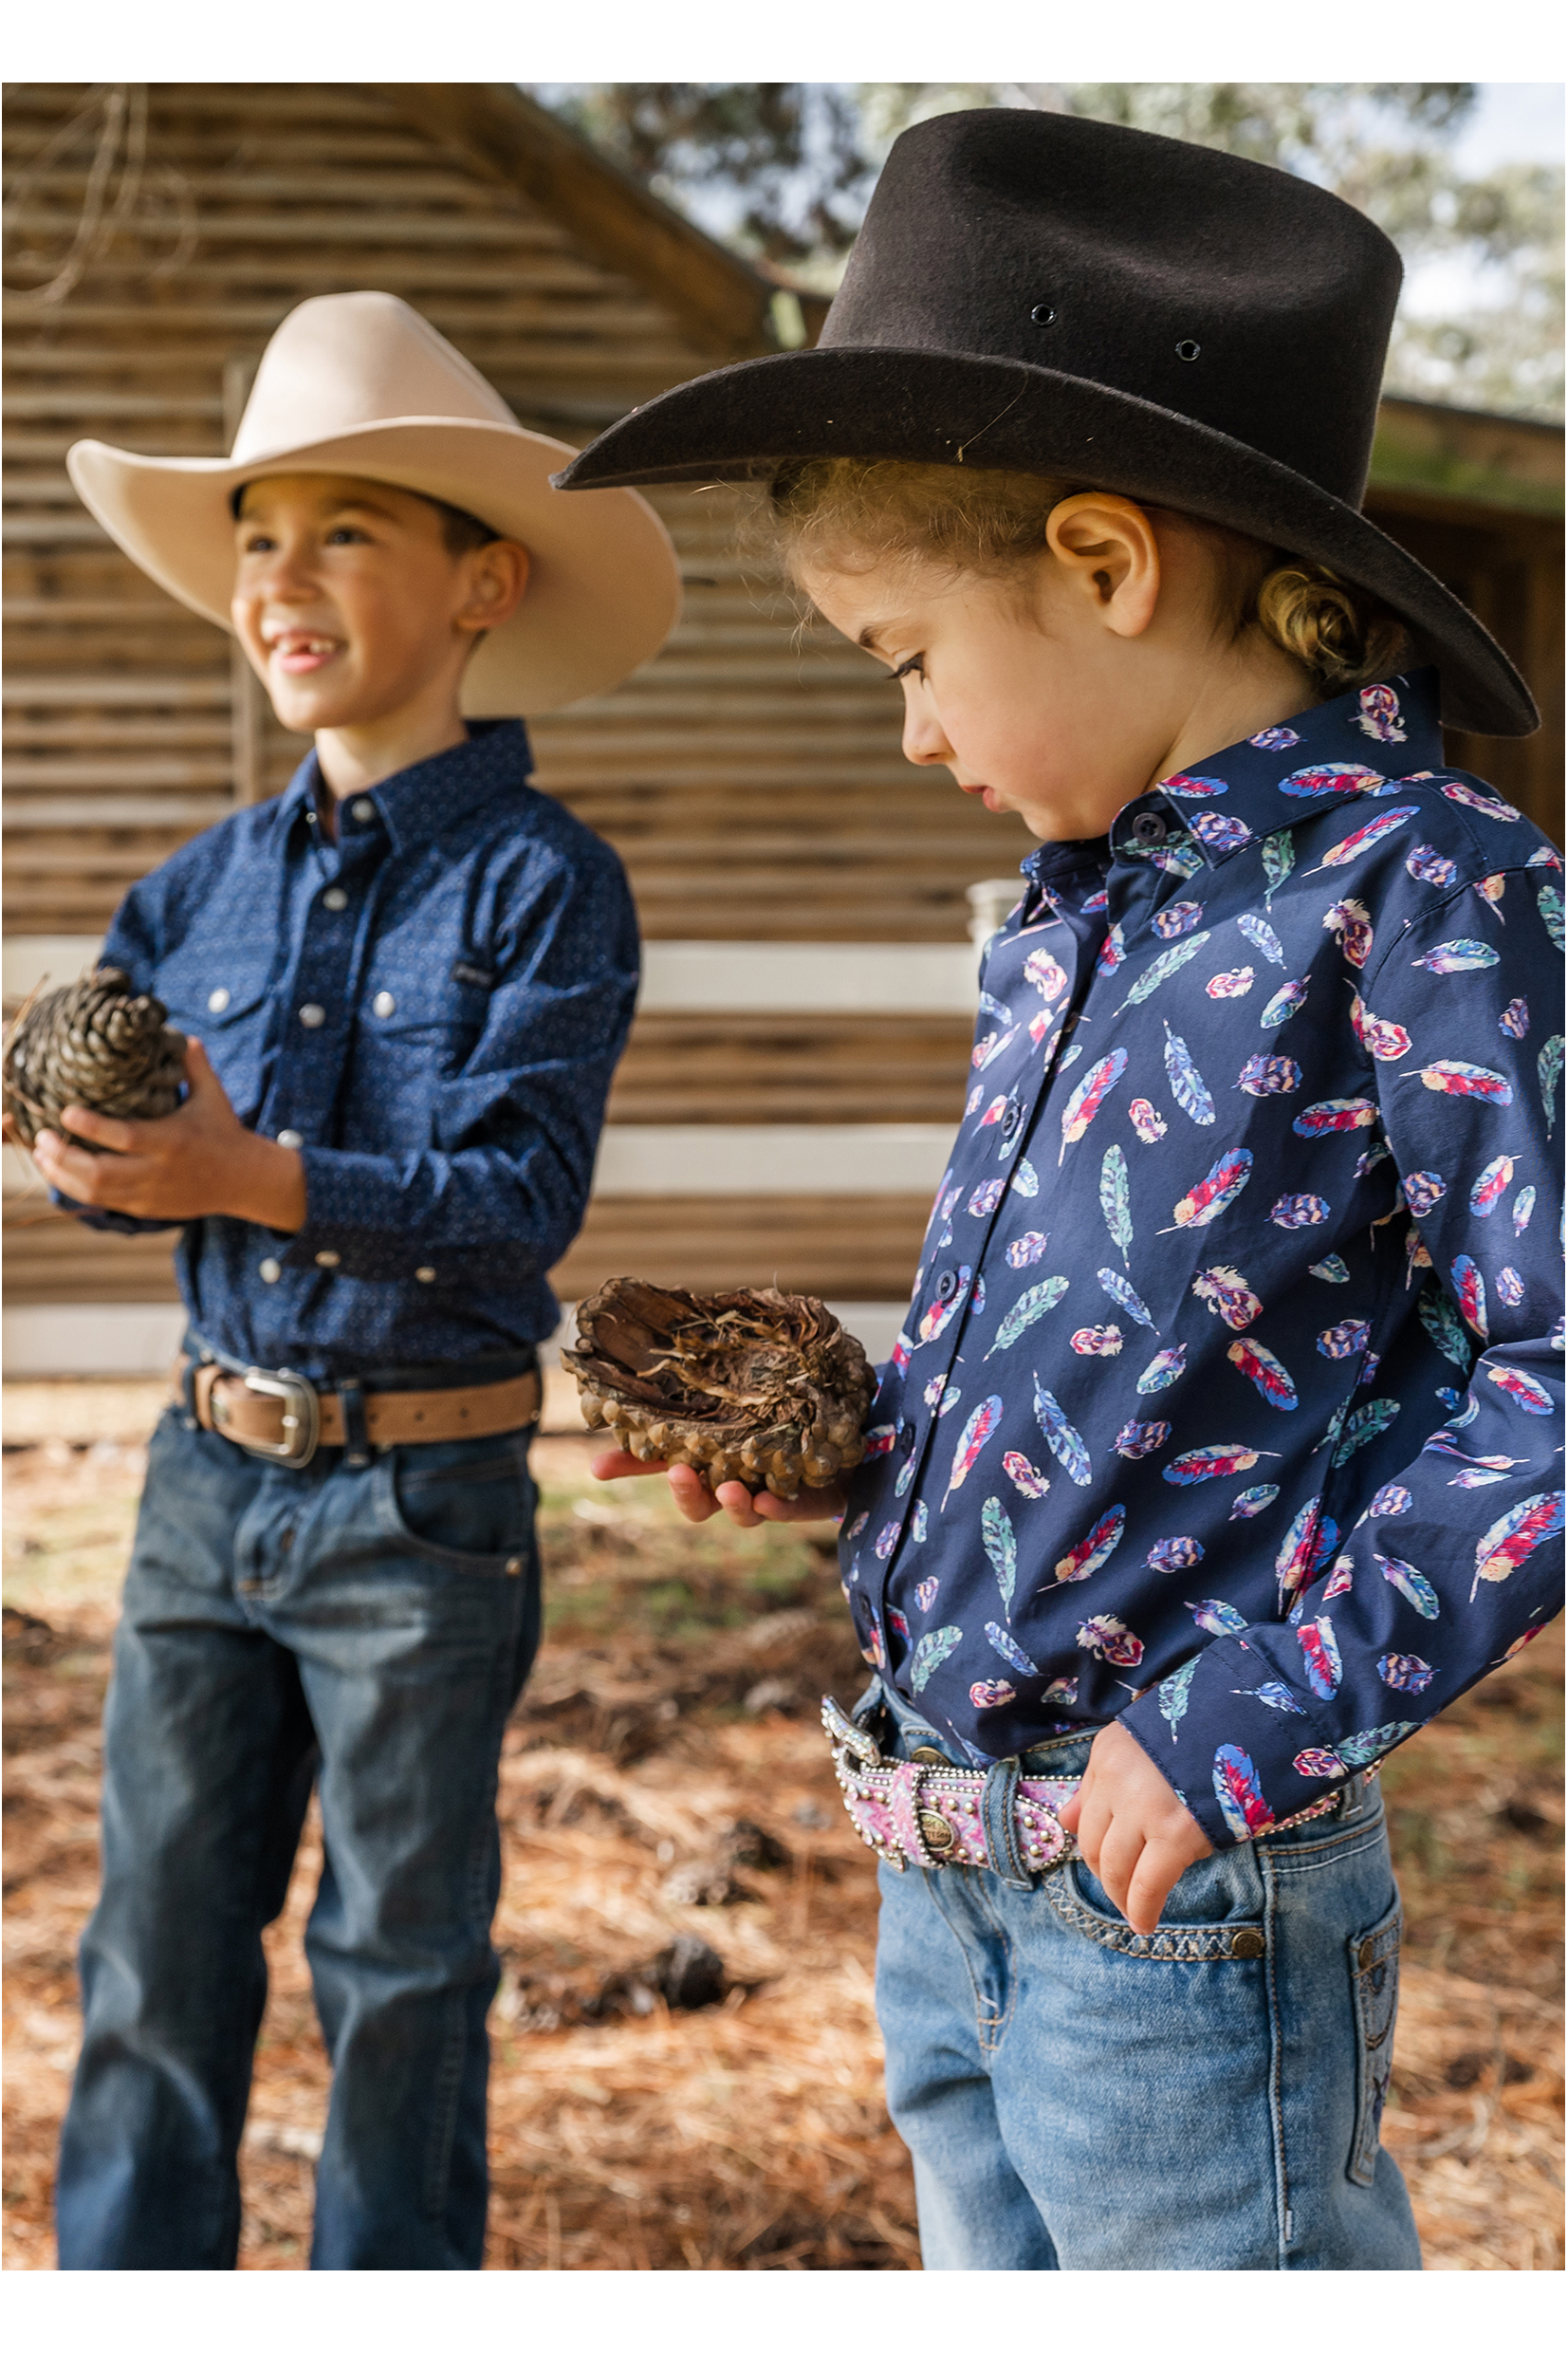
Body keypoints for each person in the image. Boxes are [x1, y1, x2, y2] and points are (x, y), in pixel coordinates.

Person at [560, 111, 1564, 2270]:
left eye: (906, 655)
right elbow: (1133, 1353)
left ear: (1106, 565)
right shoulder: (1069, 907)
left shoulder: (1428, 894)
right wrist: (867, 1459)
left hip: (1177, 1885)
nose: (913, 732)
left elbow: (1549, 1369)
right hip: (938, 1858)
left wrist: (1254, 1714)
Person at [21, 291, 679, 2269]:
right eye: (254, 536)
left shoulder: (544, 885)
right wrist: (94, 1154)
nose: (279, 578)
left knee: (400, 1963)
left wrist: (247, 1171)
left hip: (420, 1502)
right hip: (200, 1479)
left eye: (342, 531)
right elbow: (146, 1184)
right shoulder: (193, 891)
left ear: (483, 583)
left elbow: (518, 1203)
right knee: (152, 1944)